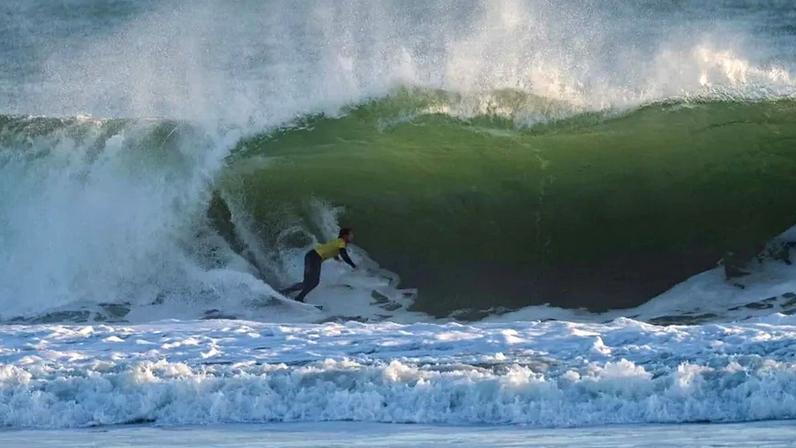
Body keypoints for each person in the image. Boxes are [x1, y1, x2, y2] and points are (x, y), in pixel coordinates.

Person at [282, 228, 357, 302]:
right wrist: (353, 265)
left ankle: (287, 292)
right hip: (315, 257)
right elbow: (344, 254)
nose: (352, 236)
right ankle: (296, 296)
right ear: (345, 236)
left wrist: (336, 258)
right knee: (313, 282)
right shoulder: (342, 242)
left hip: (311, 256)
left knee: (308, 283)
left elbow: (331, 249)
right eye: (350, 234)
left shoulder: (337, 242)